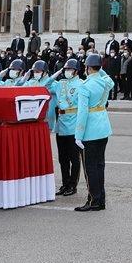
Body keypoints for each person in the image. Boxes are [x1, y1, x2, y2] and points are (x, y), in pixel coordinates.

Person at [75, 53, 114, 212]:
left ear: (88, 68)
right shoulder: (105, 82)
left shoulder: (84, 86)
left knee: (90, 167)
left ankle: (94, 200)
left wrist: (78, 135)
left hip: (90, 131)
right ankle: (101, 199)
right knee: (99, 165)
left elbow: (82, 113)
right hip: (103, 128)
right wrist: (100, 70)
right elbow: (109, 79)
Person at [50, 58, 84, 196]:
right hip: (61, 123)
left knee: (74, 158)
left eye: (70, 69)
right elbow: (46, 84)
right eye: (66, 69)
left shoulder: (81, 84)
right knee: (62, 158)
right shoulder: (60, 83)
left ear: (76, 71)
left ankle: (72, 185)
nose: (68, 72)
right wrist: (58, 72)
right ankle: (64, 184)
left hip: (74, 123)